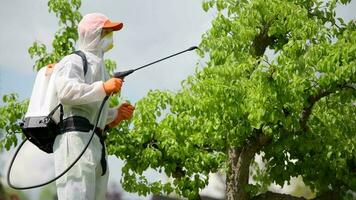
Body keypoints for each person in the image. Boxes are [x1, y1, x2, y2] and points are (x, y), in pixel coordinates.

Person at [52, 13, 135, 200]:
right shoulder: (73, 61)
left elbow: (92, 112)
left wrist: (116, 115)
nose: (109, 37)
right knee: (76, 195)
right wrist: (103, 88)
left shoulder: (101, 68)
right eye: (105, 32)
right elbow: (66, 92)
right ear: (92, 34)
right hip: (74, 139)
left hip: (95, 140)